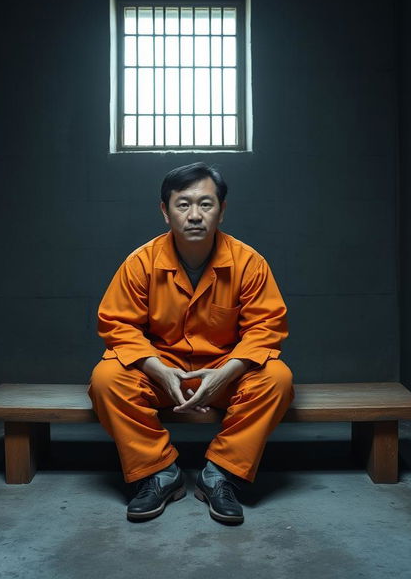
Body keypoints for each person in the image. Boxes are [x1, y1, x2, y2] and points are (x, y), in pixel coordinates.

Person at [88, 162, 293, 524]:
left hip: (226, 373)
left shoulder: (249, 263)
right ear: (165, 212)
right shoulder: (141, 263)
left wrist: (225, 374)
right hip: (162, 372)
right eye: (183, 204)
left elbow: (266, 327)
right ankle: (159, 473)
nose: (195, 215)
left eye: (206, 204)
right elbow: (118, 325)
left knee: (277, 378)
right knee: (107, 380)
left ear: (222, 210)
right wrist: (159, 370)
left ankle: (220, 475)